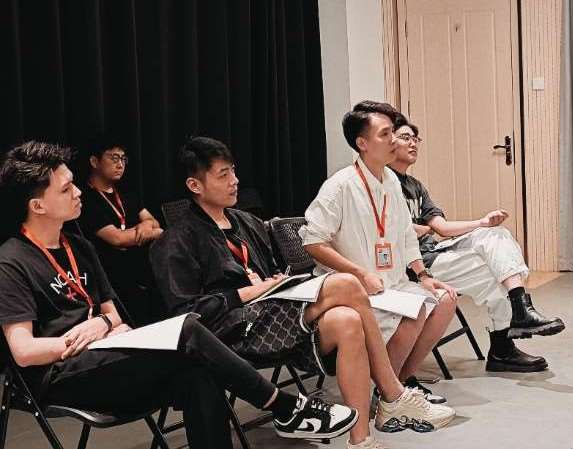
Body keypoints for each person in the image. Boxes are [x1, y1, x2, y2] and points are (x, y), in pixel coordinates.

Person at [0, 141, 360, 449]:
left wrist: (102, 325)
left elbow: (114, 315)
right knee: (187, 330)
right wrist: (83, 338)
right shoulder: (11, 262)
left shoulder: (78, 246)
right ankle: (283, 406)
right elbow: (24, 352)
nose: (79, 192)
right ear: (38, 206)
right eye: (66, 189)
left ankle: (284, 409)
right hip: (62, 374)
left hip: (105, 353)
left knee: (199, 373)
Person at [149, 137, 454, 449]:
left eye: (234, 171)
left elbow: (272, 273)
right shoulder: (176, 240)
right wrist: (248, 292)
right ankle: (392, 393)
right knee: (347, 284)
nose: (234, 181)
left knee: (347, 320)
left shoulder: (246, 222)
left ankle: (360, 439)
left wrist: (275, 282)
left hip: (272, 314)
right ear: (195, 185)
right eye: (223, 175)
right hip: (233, 331)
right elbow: (186, 314)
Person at [301, 101, 458, 399]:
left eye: (393, 133)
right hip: (359, 291)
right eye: (385, 134)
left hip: (392, 283)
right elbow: (313, 242)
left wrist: (423, 275)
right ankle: (389, 395)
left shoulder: (391, 181)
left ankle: (401, 382)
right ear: (362, 144)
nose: (394, 140)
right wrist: (359, 273)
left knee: (445, 299)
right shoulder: (340, 186)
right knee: (413, 313)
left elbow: (406, 235)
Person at [387, 114, 565, 372]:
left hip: (433, 251)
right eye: (406, 137)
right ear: (389, 141)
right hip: (415, 266)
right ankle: (504, 344)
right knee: (496, 273)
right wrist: (419, 228)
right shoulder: (383, 182)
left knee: (495, 234)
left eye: (416, 139)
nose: (413, 143)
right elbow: (395, 229)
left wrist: (482, 222)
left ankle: (519, 310)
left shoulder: (416, 186)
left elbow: (442, 228)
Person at [78, 138, 163, 325]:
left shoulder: (126, 192)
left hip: (145, 267)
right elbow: (117, 238)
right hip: (113, 274)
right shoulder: (85, 199)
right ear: (94, 161)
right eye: (114, 158)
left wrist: (146, 226)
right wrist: (155, 232)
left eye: (123, 159)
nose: (120, 164)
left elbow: (153, 221)